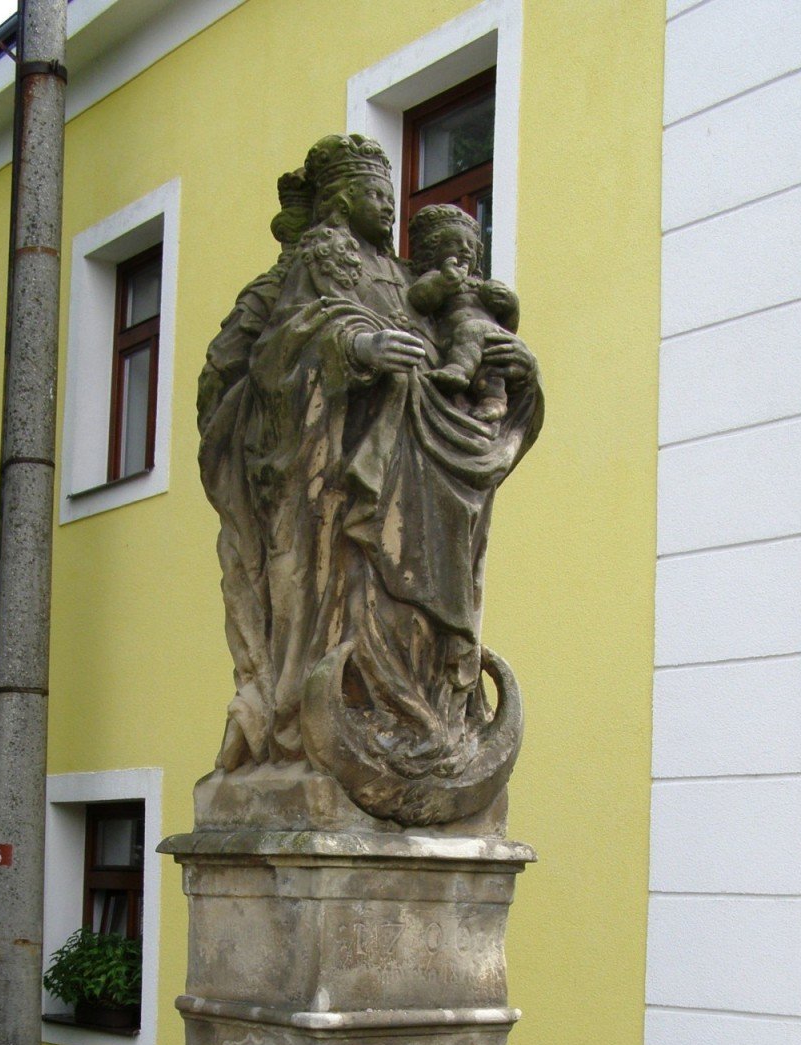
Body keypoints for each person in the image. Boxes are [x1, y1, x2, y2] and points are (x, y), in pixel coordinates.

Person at [198, 133, 543, 823]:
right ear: (341, 199)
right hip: (333, 487)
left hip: (423, 473)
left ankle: (429, 723)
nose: (389, 208)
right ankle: (323, 722)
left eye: (393, 196)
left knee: (420, 602)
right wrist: (357, 345)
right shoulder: (310, 265)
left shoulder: (411, 278)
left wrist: (513, 368)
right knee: (349, 597)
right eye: (377, 195)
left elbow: (460, 355)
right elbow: (254, 363)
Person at [406, 203, 520, 423]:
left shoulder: (481, 286)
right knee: (483, 368)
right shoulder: (436, 277)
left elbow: (509, 327)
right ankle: (477, 387)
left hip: (487, 340)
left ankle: (491, 398)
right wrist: (443, 282)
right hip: (457, 342)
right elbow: (419, 300)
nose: (465, 249)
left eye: (470, 245)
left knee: (491, 365)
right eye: (453, 243)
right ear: (433, 250)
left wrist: (511, 305)